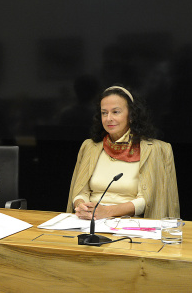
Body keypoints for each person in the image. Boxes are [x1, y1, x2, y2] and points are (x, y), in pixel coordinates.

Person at [67, 85, 179, 219]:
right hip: (89, 221)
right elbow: (80, 190)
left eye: (116, 112)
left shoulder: (155, 150)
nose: (108, 118)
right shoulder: (90, 146)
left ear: (131, 115)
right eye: (104, 113)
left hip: (130, 225)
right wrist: (81, 206)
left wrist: (108, 211)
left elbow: (148, 200)